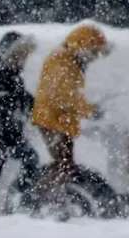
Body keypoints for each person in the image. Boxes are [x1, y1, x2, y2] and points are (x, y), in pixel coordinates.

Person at [31, 24, 111, 220]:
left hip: (58, 120)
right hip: (53, 121)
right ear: (83, 46)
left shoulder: (69, 59)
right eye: (94, 52)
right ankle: (44, 200)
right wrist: (89, 110)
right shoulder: (62, 60)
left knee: (64, 164)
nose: (95, 57)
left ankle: (53, 199)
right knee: (63, 165)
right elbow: (65, 95)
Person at [0, 32, 39, 214]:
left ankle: (18, 195)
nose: (25, 60)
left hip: (9, 133)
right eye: (23, 55)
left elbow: (21, 98)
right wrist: (18, 103)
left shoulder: (12, 73)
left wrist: (37, 107)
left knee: (26, 160)